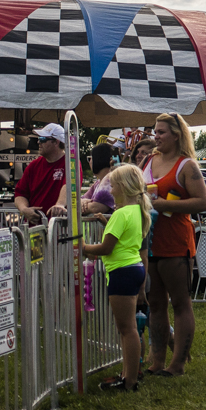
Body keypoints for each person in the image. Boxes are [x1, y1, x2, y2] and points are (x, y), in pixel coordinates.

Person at [140, 112, 206, 377]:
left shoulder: (186, 166)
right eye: (155, 132)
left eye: (161, 132)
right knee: (155, 303)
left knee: (180, 302)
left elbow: (202, 203)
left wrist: (164, 204)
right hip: (150, 241)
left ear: (176, 134)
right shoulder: (149, 160)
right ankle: (157, 361)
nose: (155, 136)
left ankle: (178, 363)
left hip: (176, 242)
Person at [82, 164, 150, 391]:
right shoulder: (135, 210)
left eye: (113, 186)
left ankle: (129, 381)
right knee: (128, 328)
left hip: (121, 271)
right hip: (132, 268)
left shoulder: (121, 214)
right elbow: (122, 238)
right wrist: (106, 223)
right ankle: (128, 374)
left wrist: (82, 246)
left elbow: (106, 248)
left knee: (127, 329)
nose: (110, 191)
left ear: (123, 187)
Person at [13, 122, 73, 225]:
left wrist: (60, 205)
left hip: (58, 230)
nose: (38, 143)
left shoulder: (71, 163)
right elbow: (20, 193)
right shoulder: (33, 165)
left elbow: (69, 185)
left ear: (56, 142)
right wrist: (24, 209)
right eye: (38, 139)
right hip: (34, 229)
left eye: (43, 139)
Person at [83, 143, 117, 216]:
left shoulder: (109, 182)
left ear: (98, 159)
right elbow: (80, 199)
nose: (89, 162)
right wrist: (84, 201)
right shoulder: (98, 183)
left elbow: (95, 208)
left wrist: (84, 203)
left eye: (90, 158)